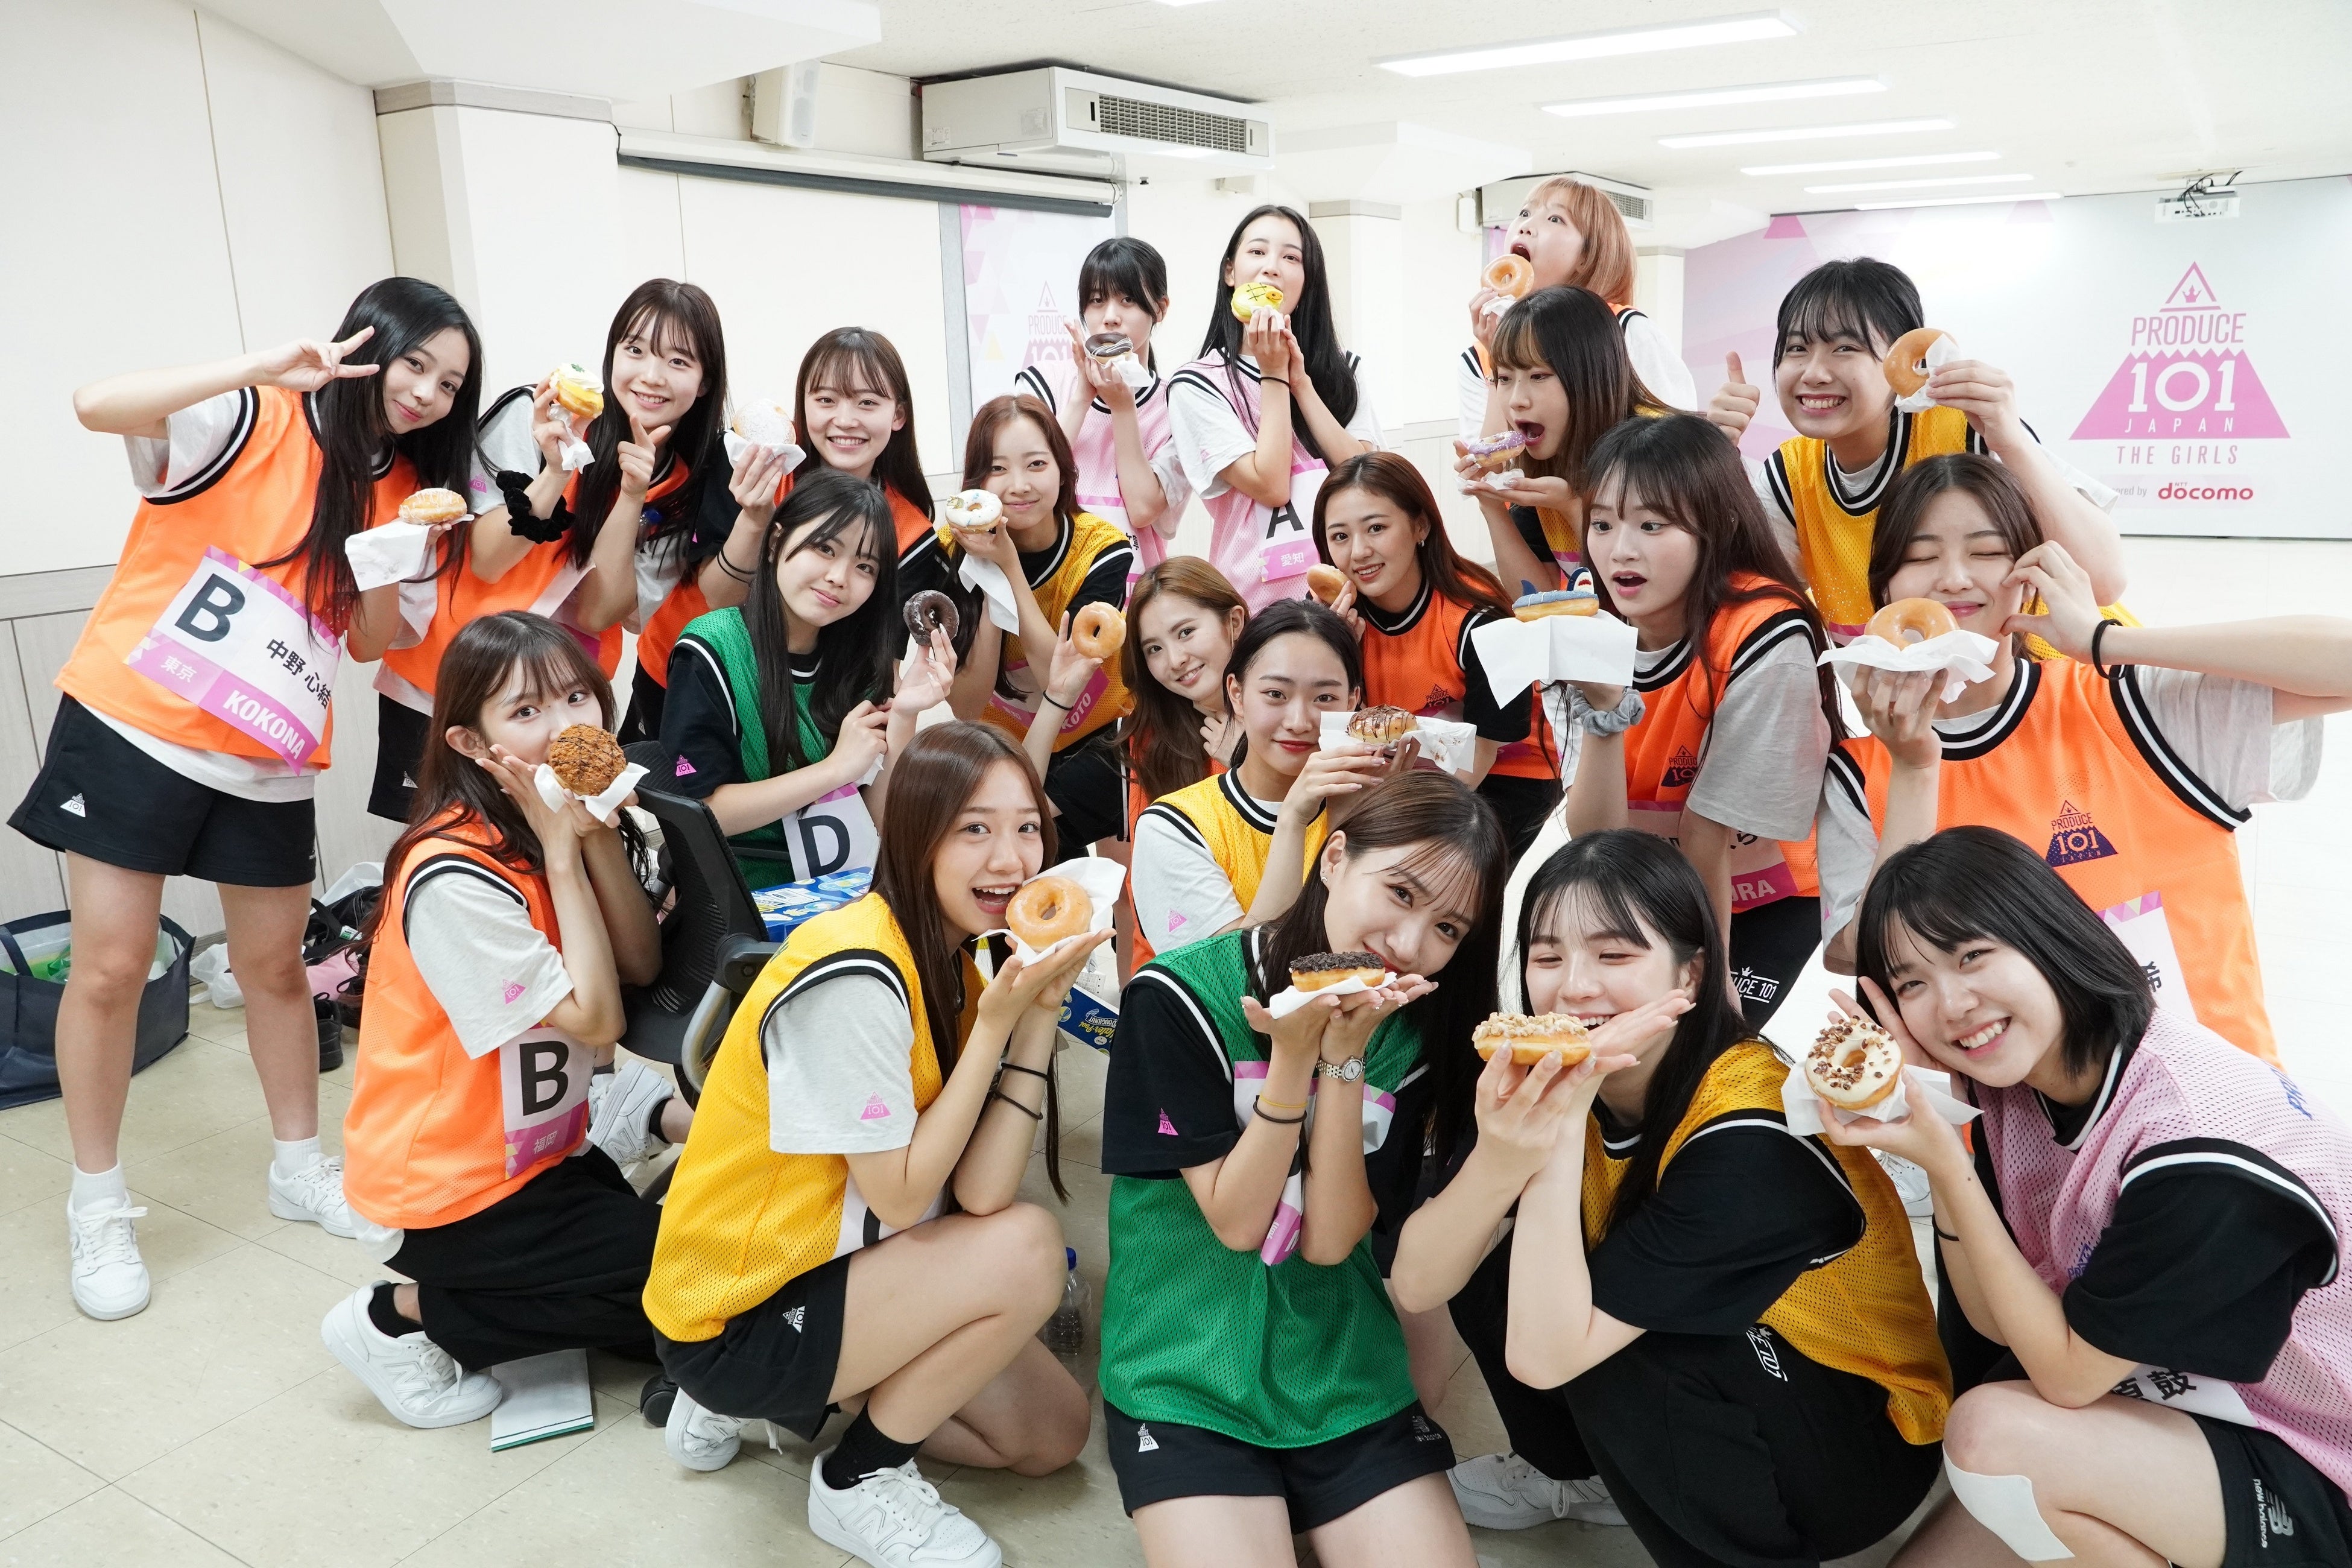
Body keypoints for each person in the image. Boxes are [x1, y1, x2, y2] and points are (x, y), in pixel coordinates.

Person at [16, 277, 481, 1321]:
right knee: (111, 970)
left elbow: (371, 639)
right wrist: (260, 365)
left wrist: (383, 565)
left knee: (275, 969)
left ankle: (298, 1168)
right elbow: (96, 404)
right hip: (137, 722)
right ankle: (98, 1204)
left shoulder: (409, 493)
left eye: (450, 384)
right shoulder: (251, 414)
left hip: (270, 751)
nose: (426, 393)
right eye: (414, 363)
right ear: (366, 344)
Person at [1397, 829, 1949, 1560]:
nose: (1574, 987)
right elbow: (1420, 1280)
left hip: (1860, 1444)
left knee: (1627, 1350)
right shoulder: (1546, 1068)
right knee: (1493, 1259)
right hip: (1754, 1374)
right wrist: (1502, 1157)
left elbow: (1544, 1356)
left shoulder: (1753, 1131)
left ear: (1690, 975)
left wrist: (1560, 1123)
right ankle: (1586, 1477)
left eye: (1614, 955)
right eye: (1547, 956)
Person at [1829, 826, 2352, 1566]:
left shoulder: (2195, 1149)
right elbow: (1998, 1319)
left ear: (2047, 935)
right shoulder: (2020, 1078)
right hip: (2179, 1398)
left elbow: (2067, 1376)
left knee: (1991, 1437)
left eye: (1972, 955)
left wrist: (1945, 1161)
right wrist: (1941, 1128)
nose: (1952, 1003)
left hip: (2319, 1455)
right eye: (1913, 983)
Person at [645, 722, 1095, 1568]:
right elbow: (902, 1195)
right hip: (739, 1306)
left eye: (1027, 827)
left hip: (848, 1265)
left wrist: (1036, 1016)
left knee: (1051, 1435)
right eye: (975, 828)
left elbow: (983, 1193)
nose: (1011, 859)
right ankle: (855, 1476)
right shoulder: (855, 970)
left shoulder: (964, 955)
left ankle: (800, 1399)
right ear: (916, 835)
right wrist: (995, 1026)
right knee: (1030, 1250)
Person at [1099, 771, 1510, 1568]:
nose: (1409, 942)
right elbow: (1237, 1222)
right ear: (1335, 858)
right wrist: (1293, 1061)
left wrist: (1344, 1060)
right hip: (1185, 1361)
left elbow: (1328, 1242)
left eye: (1447, 927)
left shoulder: (1416, 1033)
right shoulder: (1179, 996)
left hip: (1339, 1360)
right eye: (1400, 892)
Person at [1821, 455, 2351, 1064]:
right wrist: (1915, 769)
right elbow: (1859, 952)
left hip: (2214, 1100)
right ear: (1883, 589)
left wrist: (2106, 640)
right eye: (1920, 557)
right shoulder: (1858, 774)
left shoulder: (2130, 705)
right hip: (2017, 1121)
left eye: (1987, 551)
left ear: (2032, 574)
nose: (1954, 578)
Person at [326, 611, 681, 1422]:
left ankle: (609, 1147)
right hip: (449, 1183)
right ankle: (396, 1317)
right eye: (527, 711)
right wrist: (562, 854)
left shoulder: (545, 817)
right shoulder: (454, 872)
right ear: (470, 742)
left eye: (577, 698)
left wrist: (590, 838)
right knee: (686, 1286)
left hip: (541, 1152)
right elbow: (598, 1020)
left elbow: (638, 963)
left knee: (685, 1297)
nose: (564, 729)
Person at [1561, 414, 1838, 1026]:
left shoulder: (1766, 630)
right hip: (1650, 891)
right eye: (1602, 524)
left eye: (1651, 524)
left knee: (1719, 1050)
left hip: (1773, 897)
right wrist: (1605, 710)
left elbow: (1706, 831)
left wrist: (1711, 977)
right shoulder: (1585, 628)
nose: (1620, 549)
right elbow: (1595, 837)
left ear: (1718, 525)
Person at [1702, 256, 2128, 644]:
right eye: (1797, 348)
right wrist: (1710, 459)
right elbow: (1740, 602)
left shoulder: (1970, 433)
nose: (1814, 373)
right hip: (1935, 701)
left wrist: (2011, 442)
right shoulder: (1790, 474)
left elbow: (2104, 583)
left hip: (2069, 679)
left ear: (1907, 359)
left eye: (1846, 348)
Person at [436, 279, 741, 771]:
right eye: (635, 350)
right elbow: (486, 561)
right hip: (457, 682)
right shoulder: (537, 415)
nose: (651, 376)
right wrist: (557, 472)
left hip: (566, 706)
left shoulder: (687, 488)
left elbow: (599, 613)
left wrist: (633, 494)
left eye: (678, 361)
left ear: (705, 382)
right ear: (612, 354)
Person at [657, 471, 959, 889]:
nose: (839, 577)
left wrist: (905, 714)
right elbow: (702, 811)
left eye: (865, 566)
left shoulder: (859, 661)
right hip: (745, 893)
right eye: (824, 548)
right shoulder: (712, 646)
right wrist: (834, 769)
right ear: (776, 542)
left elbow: (878, 819)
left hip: (846, 887)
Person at [1314, 450, 1558, 856]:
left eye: (1376, 528)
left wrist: (1398, 823)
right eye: (1340, 537)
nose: (1358, 552)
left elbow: (1480, 758)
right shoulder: (1335, 622)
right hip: (1399, 777)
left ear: (1420, 525)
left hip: (1505, 779)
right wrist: (1331, 654)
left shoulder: (1481, 622)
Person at [922, 393, 1134, 853]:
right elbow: (967, 706)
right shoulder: (947, 553)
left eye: (1036, 464)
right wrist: (987, 577)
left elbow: (1059, 678)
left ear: (1063, 469)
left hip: (1101, 737)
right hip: (1012, 750)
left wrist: (1009, 568)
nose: (1018, 486)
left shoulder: (1103, 550)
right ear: (976, 482)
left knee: (1116, 881)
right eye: (998, 469)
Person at [1130, 599, 1391, 963]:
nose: (1299, 721)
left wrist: (1359, 821)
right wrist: (1293, 819)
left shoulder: (1372, 808)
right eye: (1275, 695)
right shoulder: (1173, 826)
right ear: (1236, 694)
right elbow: (1234, 977)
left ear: (1352, 702)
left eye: (1325, 698)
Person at [1168, 204, 1380, 613]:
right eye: (1257, 252)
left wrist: (1301, 383)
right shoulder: (1197, 383)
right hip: (1257, 602)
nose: (1271, 268)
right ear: (1230, 272)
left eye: (1291, 258)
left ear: (1307, 280)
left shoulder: (1345, 368)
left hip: (1355, 585)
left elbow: (1366, 475)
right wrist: (1273, 374)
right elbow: (1271, 486)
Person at [1456, 285, 1668, 596]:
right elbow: (1535, 598)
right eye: (1504, 378)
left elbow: (1646, 594)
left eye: (1538, 376)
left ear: (1590, 374)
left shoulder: (1657, 452)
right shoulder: (1544, 467)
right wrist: (1492, 506)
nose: (1516, 401)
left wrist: (1572, 506)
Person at [1459, 174, 1695, 440]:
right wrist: (1497, 360)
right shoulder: (1480, 356)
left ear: (1586, 256)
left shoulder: (1626, 330)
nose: (1526, 227)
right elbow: (1488, 461)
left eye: (1555, 219)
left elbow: (1679, 443)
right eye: (1524, 213)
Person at [1016, 236, 1192, 581]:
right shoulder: (1042, 383)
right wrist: (1082, 398)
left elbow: (1143, 509)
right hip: (1052, 584)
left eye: (1128, 300)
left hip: (1134, 592)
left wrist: (1123, 409)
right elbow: (1024, 475)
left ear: (1160, 308)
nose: (1110, 317)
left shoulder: (1177, 403)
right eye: (1097, 301)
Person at [792, 325, 938, 578]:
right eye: (826, 400)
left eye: (867, 402)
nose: (845, 421)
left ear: (898, 415)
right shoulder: (768, 480)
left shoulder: (910, 534)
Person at [1122, 557, 1249, 837]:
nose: (1175, 660)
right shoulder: (1148, 740)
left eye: (1186, 632)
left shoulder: (1287, 708)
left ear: (1234, 622)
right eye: (1155, 649)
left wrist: (1247, 767)